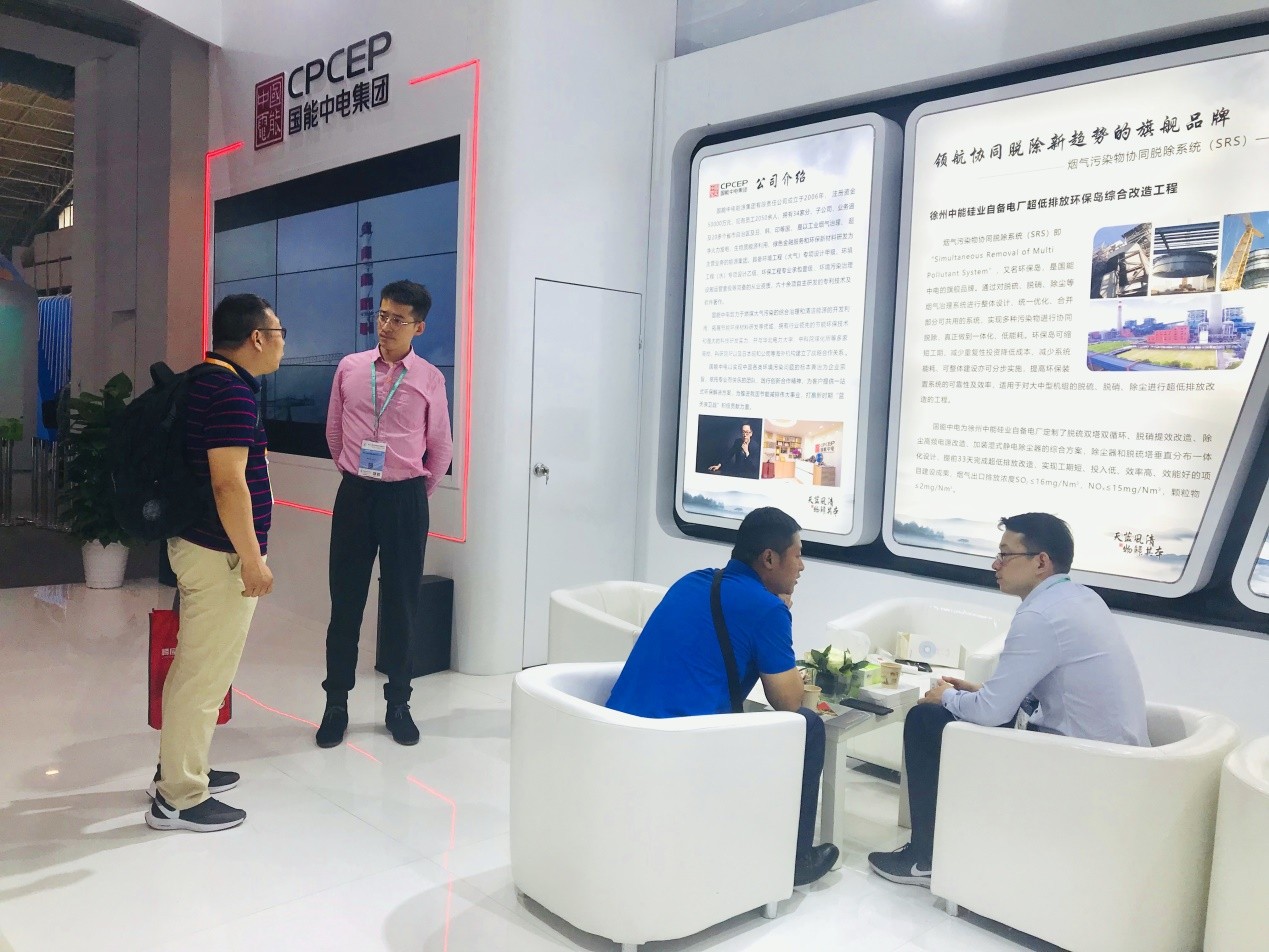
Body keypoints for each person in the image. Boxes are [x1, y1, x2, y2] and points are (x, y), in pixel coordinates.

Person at [868, 512, 1148, 886]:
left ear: (1041, 562)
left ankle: (925, 858)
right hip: (1119, 757)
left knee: (925, 720)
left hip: (1083, 762)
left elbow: (992, 712)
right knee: (957, 712)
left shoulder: (1039, 616)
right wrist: (976, 694)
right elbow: (1033, 694)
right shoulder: (1081, 598)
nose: (995, 564)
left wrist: (947, 695)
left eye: (1005, 554)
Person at [606, 507, 840, 886]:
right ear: (769, 558)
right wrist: (778, 615)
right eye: (797, 555)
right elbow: (789, 703)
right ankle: (795, 860)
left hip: (615, 729)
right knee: (808, 726)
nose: (802, 567)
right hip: (681, 743)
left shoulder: (691, 580)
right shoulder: (767, 610)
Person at [146, 293, 285, 832]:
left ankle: (181, 767)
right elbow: (229, 484)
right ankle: (179, 797)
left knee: (198, 667)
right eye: (279, 333)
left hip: (199, 544)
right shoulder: (230, 394)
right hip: (219, 555)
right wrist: (251, 560)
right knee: (204, 675)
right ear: (257, 338)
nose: (282, 343)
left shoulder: (204, 380)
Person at [316, 280, 453, 748]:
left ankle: (398, 703)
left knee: (401, 604)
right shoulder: (350, 368)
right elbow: (335, 433)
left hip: (405, 499)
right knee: (345, 602)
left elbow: (440, 447)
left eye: (398, 319)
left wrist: (411, 490)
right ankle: (336, 704)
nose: (386, 326)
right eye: (382, 315)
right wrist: (357, 475)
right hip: (356, 495)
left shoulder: (430, 378)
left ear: (419, 327)